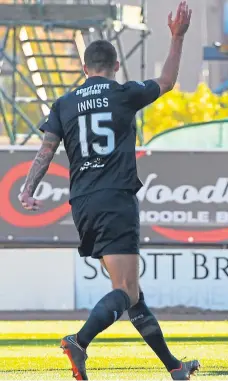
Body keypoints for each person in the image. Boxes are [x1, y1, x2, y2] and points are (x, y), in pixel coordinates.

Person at [18, 2, 199, 380]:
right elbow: (166, 82)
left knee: (131, 292)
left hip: (82, 203)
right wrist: (177, 38)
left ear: (84, 69)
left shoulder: (64, 103)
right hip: (115, 196)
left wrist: (27, 188)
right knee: (127, 291)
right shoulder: (122, 93)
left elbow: (46, 151)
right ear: (115, 66)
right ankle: (80, 340)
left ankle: (175, 368)